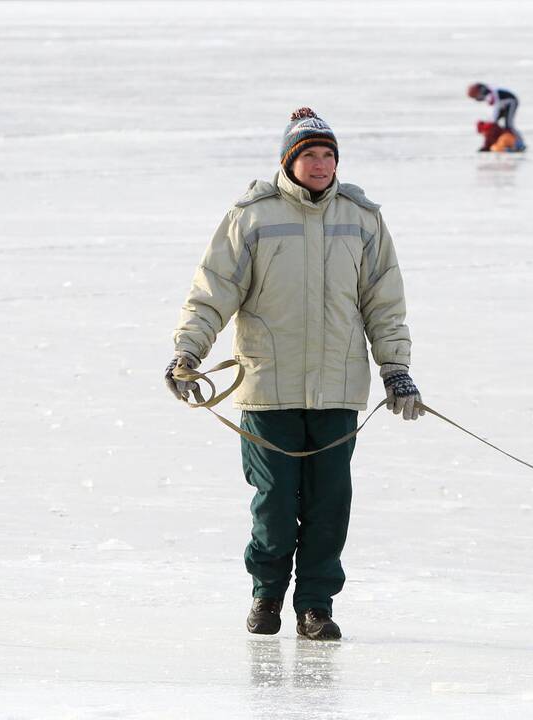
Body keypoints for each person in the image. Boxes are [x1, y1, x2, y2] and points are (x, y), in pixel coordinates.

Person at [164, 107, 423, 641]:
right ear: (290, 159)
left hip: (338, 390)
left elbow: (384, 302)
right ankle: (267, 595)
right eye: (310, 154)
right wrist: (187, 353)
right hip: (267, 389)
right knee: (276, 503)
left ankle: (315, 606)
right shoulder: (251, 217)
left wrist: (395, 368)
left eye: (329, 155)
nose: (322, 164)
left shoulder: (361, 218)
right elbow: (212, 292)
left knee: (330, 505)